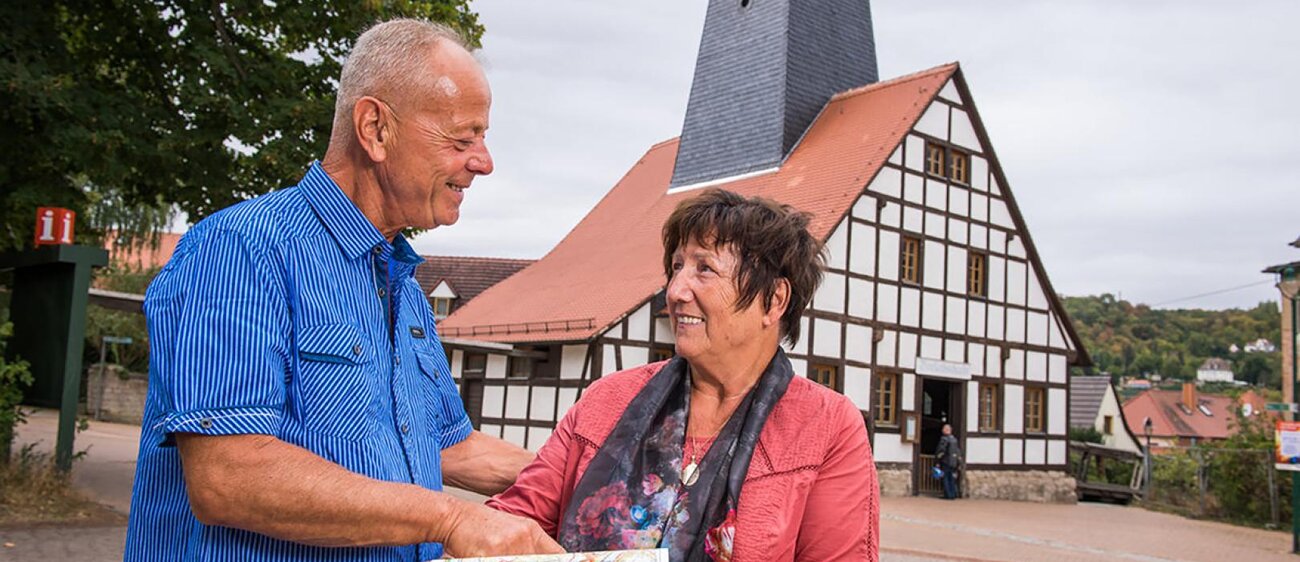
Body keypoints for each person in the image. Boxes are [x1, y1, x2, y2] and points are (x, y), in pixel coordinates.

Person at [123, 19, 563, 561]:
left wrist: (588, 474)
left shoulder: (402, 287)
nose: (484, 162)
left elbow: (449, 447)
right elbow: (229, 474)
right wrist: (451, 519)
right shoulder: (242, 249)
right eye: (462, 138)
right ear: (375, 128)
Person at [488, 189, 880, 561]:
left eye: (704, 269)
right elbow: (512, 524)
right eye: (677, 267)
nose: (675, 291)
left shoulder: (827, 427)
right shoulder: (608, 400)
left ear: (774, 300)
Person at [935, 424, 962, 500]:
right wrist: (958, 462)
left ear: (946, 430)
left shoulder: (944, 439)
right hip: (953, 462)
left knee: (945, 478)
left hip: (946, 461)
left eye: (943, 429)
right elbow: (958, 452)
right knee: (952, 478)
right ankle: (953, 494)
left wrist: (937, 461)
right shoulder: (954, 440)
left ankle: (948, 495)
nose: (942, 430)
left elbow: (941, 451)